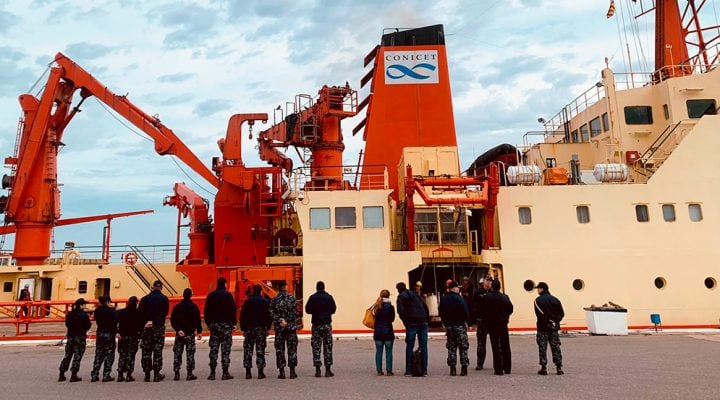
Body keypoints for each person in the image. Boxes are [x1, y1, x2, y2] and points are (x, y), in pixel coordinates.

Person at [204, 277, 236, 380]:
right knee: (225, 349)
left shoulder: (211, 296)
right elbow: (232, 310)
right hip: (226, 325)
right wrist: (233, 323)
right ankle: (225, 372)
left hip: (214, 325)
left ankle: (212, 373)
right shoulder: (228, 295)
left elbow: (206, 311)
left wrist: (208, 323)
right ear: (225, 284)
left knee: (214, 349)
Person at [395, 281, 429, 377]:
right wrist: (426, 319)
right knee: (424, 345)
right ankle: (424, 370)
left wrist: (406, 322)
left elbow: (401, 312)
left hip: (411, 323)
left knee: (409, 346)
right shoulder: (415, 295)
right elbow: (425, 307)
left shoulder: (401, 297)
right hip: (423, 321)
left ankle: (409, 370)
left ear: (398, 290)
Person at [139, 280, 169, 382]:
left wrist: (147, 322)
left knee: (146, 351)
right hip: (158, 327)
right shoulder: (164, 299)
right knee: (157, 350)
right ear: (161, 287)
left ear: (152, 287)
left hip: (146, 327)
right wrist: (154, 321)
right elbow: (164, 314)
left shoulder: (144, 299)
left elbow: (140, 314)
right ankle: (157, 374)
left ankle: (147, 374)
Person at [439, 281, 471, 376]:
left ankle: (452, 369)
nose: (458, 289)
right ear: (454, 288)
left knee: (451, 348)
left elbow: (441, 312)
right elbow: (465, 311)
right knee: (463, 347)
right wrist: (469, 323)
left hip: (449, 327)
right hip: (459, 326)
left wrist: (445, 323)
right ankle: (464, 368)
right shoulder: (459, 298)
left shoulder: (444, 299)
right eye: (457, 287)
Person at [305, 281, 337, 378]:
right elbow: (334, 309)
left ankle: (318, 370)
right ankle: (328, 370)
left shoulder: (312, 298)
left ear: (316, 288)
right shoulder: (329, 297)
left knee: (316, 347)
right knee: (328, 347)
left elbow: (307, 310)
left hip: (316, 325)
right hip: (326, 325)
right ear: (324, 287)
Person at [240, 284, 272, 380]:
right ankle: (260, 372)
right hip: (261, 328)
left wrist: (243, 328)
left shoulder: (247, 302)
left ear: (253, 291)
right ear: (261, 291)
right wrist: (268, 328)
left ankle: (248, 372)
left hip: (249, 328)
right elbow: (268, 316)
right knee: (260, 350)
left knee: (248, 350)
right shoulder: (264, 301)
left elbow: (243, 316)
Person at [170, 288, 202, 381]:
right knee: (190, 354)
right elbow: (198, 320)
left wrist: (178, 329)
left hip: (180, 334)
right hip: (190, 333)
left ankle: (176, 373)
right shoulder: (194, 307)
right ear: (191, 295)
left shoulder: (177, 307)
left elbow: (173, 320)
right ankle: (190, 373)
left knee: (177, 353)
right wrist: (199, 331)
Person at [534, 282, 565, 376]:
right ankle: (559, 367)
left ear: (542, 289)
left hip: (542, 328)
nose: (537, 290)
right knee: (556, 347)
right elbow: (562, 313)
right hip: (554, 328)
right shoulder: (555, 300)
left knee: (542, 347)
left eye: (538, 289)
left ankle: (544, 368)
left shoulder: (537, 300)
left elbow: (539, 314)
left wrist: (547, 322)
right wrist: (555, 322)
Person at [269, 281, 299, 379]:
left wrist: (280, 320)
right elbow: (296, 312)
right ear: (285, 287)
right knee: (292, 349)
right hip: (291, 328)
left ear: (278, 287)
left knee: (280, 350)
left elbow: (271, 313)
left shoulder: (274, 300)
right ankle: (292, 372)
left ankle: (282, 372)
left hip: (280, 329)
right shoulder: (292, 298)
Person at [483, 279, 513, 375]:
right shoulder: (505, 297)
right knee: (505, 345)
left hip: (492, 324)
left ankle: (498, 369)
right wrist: (505, 316)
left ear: (492, 286)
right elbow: (510, 309)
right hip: (503, 323)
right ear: (500, 287)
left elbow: (484, 309)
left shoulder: (488, 297)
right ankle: (507, 368)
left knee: (495, 346)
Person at [58, 298, 91, 382]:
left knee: (68, 355)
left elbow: (67, 324)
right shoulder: (83, 315)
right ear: (81, 305)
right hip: (80, 336)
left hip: (71, 336)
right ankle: (74, 374)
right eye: (84, 304)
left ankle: (62, 373)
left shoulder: (70, 314)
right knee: (77, 355)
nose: (85, 306)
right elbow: (88, 325)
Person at [91, 295, 118, 382]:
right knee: (109, 354)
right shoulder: (111, 311)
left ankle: (94, 374)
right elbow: (115, 321)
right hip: (109, 333)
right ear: (107, 302)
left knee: (99, 354)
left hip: (100, 333)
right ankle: (106, 375)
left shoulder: (97, 311)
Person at [116, 296, 142, 382]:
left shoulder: (121, 312)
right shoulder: (138, 313)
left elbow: (115, 322)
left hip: (123, 336)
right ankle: (129, 375)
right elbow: (140, 326)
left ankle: (120, 375)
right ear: (136, 303)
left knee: (122, 355)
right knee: (131, 356)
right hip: (133, 337)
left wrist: (117, 332)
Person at [470, 276, 492, 370]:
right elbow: (473, 305)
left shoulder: (493, 292)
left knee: (496, 343)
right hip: (482, 320)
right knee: (481, 344)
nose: (489, 283)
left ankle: (499, 362)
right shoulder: (478, 293)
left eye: (490, 281)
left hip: (491, 321)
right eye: (487, 281)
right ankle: (480, 363)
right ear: (484, 282)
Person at [373, 289, 395, 376]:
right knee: (389, 352)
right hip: (388, 331)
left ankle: (379, 370)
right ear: (388, 296)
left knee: (379, 351)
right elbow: (392, 319)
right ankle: (389, 370)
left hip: (378, 332)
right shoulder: (391, 307)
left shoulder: (376, 306)